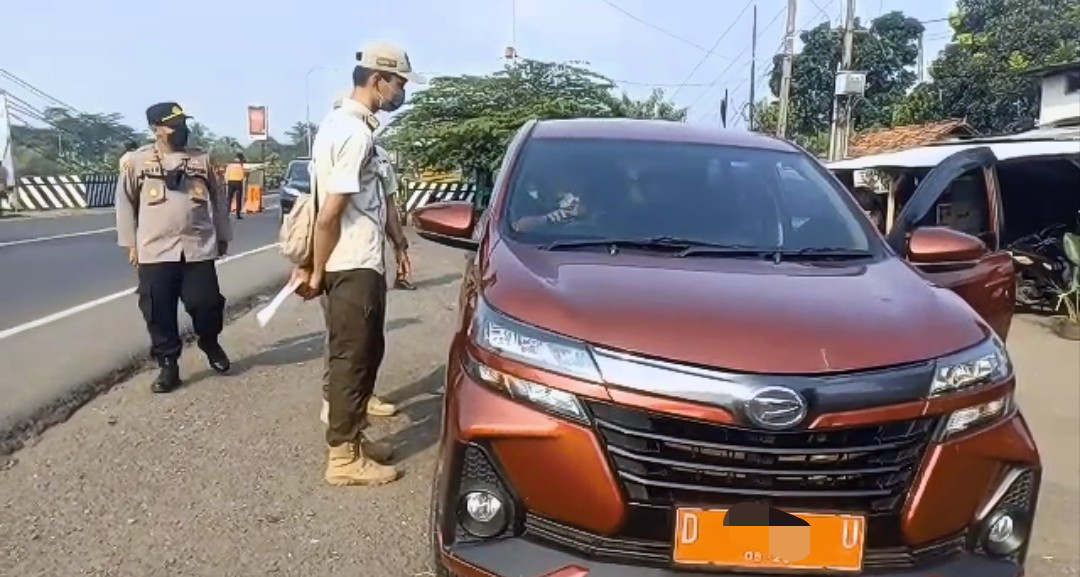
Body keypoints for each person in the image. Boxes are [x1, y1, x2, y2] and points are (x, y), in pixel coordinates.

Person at [292, 41, 423, 487]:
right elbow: (328, 213)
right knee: (353, 359)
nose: (401, 92)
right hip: (352, 263)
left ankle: (354, 439)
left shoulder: (337, 126)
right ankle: (343, 458)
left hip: (352, 261)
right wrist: (314, 269)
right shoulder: (354, 134)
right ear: (377, 80)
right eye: (399, 83)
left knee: (364, 353)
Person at [115, 102, 233, 393]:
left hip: (197, 246)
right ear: (156, 129)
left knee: (206, 303)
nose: (182, 130)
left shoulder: (201, 160)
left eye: (183, 124)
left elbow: (218, 200)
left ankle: (210, 341)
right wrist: (131, 244)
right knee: (158, 310)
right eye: (174, 126)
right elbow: (124, 204)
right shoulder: (136, 163)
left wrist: (222, 235)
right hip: (155, 249)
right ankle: (168, 364)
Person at [224, 153, 246, 220]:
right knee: (238, 199)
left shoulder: (229, 165)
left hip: (230, 182)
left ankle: (226, 213)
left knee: (229, 199)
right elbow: (242, 176)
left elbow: (226, 175)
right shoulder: (240, 166)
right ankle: (238, 214)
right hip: (238, 182)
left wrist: (226, 182)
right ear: (240, 159)